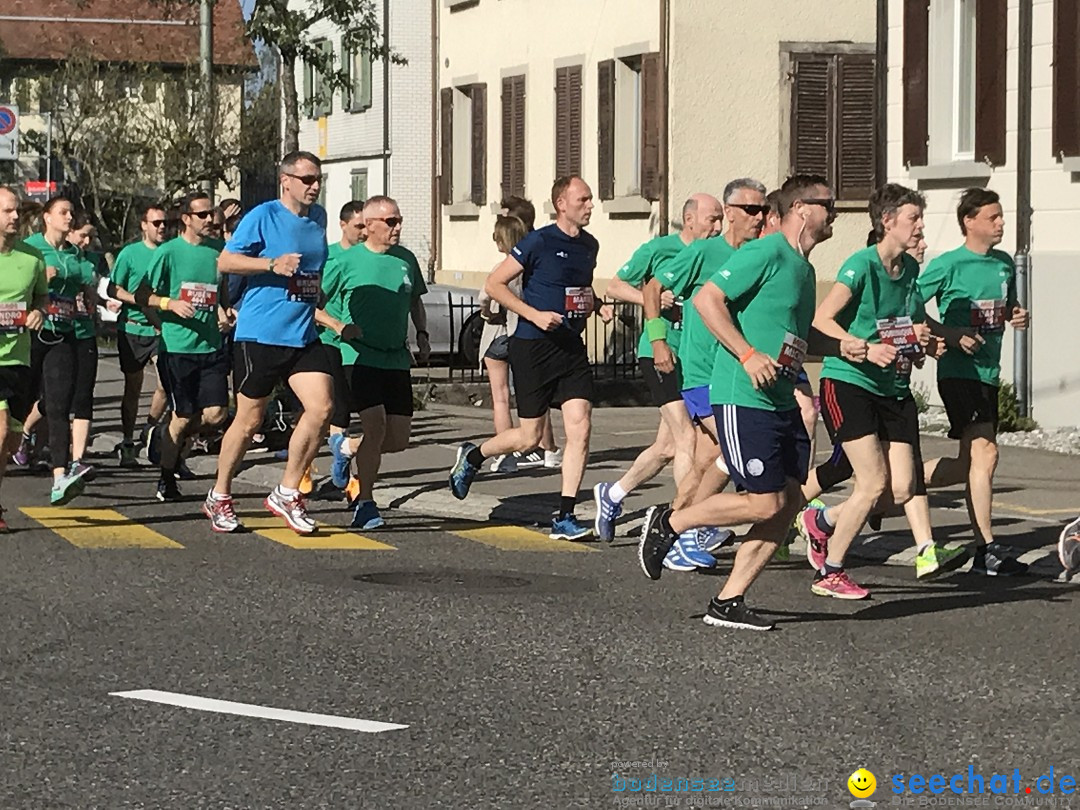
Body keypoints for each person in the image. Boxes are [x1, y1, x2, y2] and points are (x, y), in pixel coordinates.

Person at [637, 174, 867, 631]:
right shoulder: (765, 252)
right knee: (763, 504)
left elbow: (796, 334)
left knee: (785, 507)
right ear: (802, 208)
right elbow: (707, 299)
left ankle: (727, 601)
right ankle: (670, 522)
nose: (835, 213)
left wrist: (843, 345)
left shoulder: (802, 267)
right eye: (827, 203)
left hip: (781, 399)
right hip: (744, 398)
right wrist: (746, 354)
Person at [799, 184, 967, 599]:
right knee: (872, 483)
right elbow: (822, 318)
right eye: (914, 219)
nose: (920, 226)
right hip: (849, 382)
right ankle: (831, 572)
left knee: (902, 488)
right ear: (887, 222)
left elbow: (907, 324)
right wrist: (865, 347)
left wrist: (926, 342)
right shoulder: (861, 265)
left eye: (921, 219)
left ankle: (821, 522)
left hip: (893, 387)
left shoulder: (909, 271)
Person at [449, 176, 610, 539]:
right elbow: (494, 284)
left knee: (580, 426)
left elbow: (577, 288)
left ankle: (565, 515)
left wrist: (595, 305)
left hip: (570, 346)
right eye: (583, 199)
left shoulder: (590, 245)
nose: (590, 206)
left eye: (591, 200)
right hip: (532, 345)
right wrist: (533, 314)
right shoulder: (539, 240)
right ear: (561, 204)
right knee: (529, 438)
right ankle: (474, 455)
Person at [202, 150, 333, 534]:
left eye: (318, 179)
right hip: (260, 333)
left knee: (322, 408)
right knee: (249, 420)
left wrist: (315, 294)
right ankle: (220, 495)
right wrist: (270, 265)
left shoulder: (319, 218)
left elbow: (313, 268)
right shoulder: (263, 216)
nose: (314, 186)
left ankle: (287, 491)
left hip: (302, 331)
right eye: (307, 179)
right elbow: (225, 262)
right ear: (286, 180)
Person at [640, 179, 769, 568]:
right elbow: (652, 288)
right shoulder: (702, 251)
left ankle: (669, 525)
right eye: (751, 210)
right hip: (701, 374)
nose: (759, 218)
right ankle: (685, 532)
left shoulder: (758, 256)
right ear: (730, 213)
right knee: (732, 452)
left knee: (705, 460)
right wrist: (659, 340)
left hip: (733, 374)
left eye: (763, 210)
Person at [592, 193, 723, 552]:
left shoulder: (716, 255)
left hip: (694, 360)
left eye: (721, 220)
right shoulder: (659, 249)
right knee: (687, 440)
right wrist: (655, 301)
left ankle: (612, 493)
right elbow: (615, 286)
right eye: (712, 219)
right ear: (690, 219)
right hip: (658, 350)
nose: (718, 227)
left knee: (666, 447)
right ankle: (691, 526)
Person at [917, 188, 1030, 576]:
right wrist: (948, 334)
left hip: (988, 373)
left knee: (970, 463)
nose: (1001, 224)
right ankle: (987, 547)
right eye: (993, 217)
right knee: (987, 454)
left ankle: (901, 484)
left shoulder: (1001, 263)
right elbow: (910, 306)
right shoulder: (949, 264)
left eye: (1001, 217)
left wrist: (1017, 315)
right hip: (958, 372)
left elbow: (1007, 305)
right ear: (970, 221)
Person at [329, 196, 427, 530]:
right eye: (390, 222)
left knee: (398, 439)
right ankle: (366, 502)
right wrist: (338, 326)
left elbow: (415, 300)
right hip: (358, 355)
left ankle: (348, 448)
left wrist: (423, 334)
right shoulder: (345, 261)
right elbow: (310, 303)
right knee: (376, 426)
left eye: (399, 220)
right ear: (368, 225)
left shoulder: (406, 259)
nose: (397, 227)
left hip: (396, 357)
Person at [143, 192, 231, 501]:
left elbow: (219, 292)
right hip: (178, 348)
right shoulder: (168, 252)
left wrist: (226, 310)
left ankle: (167, 434)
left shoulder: (219, 251)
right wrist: (170, 304)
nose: (210, 220)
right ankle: (167, 477)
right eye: (203, 215)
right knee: (183, 416)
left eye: (212, 215)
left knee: (218, 414)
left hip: (211, 346)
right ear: (186, 220)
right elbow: (144, 295)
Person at [19, 196, 94, 504]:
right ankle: (20, 439)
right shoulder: (30, 248)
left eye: (71, 212)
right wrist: (39, 280)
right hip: (25, 336)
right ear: (47, 217)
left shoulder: (75, 254)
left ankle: (60, 476)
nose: (69, 217)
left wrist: (87, 295)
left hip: (61, 334)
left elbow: (83, 283)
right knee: (18, 401)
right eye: (63, 212)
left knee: (59, 403)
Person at [499, 195, 561, 469]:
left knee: (508, 396)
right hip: (520, 332)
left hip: (518, 333)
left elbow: (490, 294)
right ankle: (543, 448)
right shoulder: (535, 248)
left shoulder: (530, 251)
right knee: (528, 400)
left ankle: (514, 450)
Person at [0, 186, 48, 528]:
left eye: (17, 211)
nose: (16, 217)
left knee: (11, 439)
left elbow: (41, 300)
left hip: (19, 358)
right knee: (1, 432)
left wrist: (38, 313)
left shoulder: (32, 257)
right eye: (7, 211)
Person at [109, 203, 170, 466]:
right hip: (132, 328)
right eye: (156, 223)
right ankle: (127, 440)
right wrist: (136, 299)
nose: (162, 228)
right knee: (132, 388)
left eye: (165, 223)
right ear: (144, 225)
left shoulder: (170, 252)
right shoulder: (130, 254)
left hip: (161, 329)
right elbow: (113, 288)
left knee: (166, 384)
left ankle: (149, 430)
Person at [477, 214, 530, 473]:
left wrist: (487, 314)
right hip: (521, 335)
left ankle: (506, 452)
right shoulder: (530, 271)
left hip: (497, 335)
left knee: (500, 398)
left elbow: (484, 300)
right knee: (525, 395)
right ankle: (530, 444)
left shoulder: (501, 268)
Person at [321, 200, 367, 490]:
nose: (364, 232)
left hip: (360, 347)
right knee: (337, 410)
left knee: (366, 413)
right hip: (330, 343)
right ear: (343, 224)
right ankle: (341, 469)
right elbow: (310, 304)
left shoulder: (370, 258)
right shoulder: (332, 259)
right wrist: (336, 325)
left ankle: (345, 460)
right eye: (358, 226)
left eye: (367, 226)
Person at [62, 211, 102, 479]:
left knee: (84, 395)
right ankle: (29, 431)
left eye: (90, 236)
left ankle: (78, 460)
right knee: (56, 399)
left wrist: (98, 305)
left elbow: (93, 296)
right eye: (82, 235)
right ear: (69, 233)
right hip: (60, 334)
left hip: (85, 332)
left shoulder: (90, 262)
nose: (86, 241)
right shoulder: (54, 257)